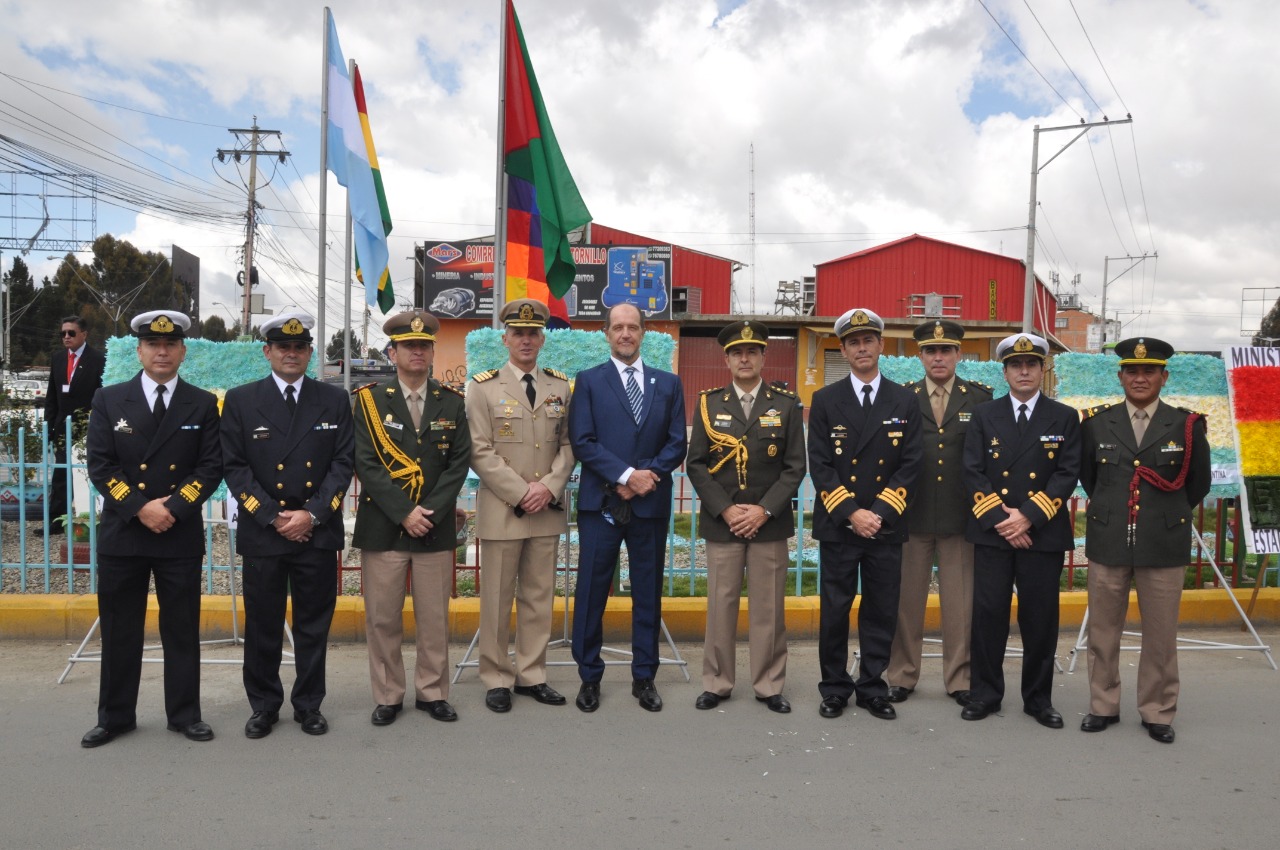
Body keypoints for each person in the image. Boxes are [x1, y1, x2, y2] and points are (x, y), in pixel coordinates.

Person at [80, 310, 222, 747]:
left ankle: (184, 715)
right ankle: (116, 716)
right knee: (121, 629)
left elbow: (210, 466)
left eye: (171, 344)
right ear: (139, 350)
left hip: (177, 532)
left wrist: (173, 508)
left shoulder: (201, 403)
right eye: (153, 345)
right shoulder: (109, 399)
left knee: (181, 629)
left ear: (182, 351)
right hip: (126, 532)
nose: (162, 352)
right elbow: (101, 466)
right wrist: (142, 508)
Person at [220, 311, 354, 739]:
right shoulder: (241, 400)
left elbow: (342, 464)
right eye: (283, 348)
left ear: (310, 353)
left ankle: (309, 704)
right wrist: (273, 516)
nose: (292, 354)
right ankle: (263, 706)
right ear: (268, 352)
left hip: (316, 530)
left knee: (314, 625)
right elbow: (235, 468)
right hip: (265, 531)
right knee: (263, 624)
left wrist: (311, 514)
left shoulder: (333, 399)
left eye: (299, 348)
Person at [1078, 337, 1210, 744]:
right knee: (1103, 631)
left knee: (1160, 633)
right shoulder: (1097, 423)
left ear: (1164, 376)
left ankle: (1157, 710)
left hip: (1162, 542)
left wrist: (1162, 516)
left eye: (1148, 371)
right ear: (1120, 376)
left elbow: (1196, 484)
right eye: (1132, 371)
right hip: (1109, 538)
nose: (1139, 378)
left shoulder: (1186, 424)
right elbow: (1091, 479)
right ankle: (1104, 704)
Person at [352, 310, 470, 726]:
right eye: (408, 346)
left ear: (433, 351)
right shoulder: (368, 401)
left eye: (423, 346)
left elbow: (458, 464)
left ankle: (432, 692)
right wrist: (405, 513)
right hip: (384, 527)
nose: (416, 352)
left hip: (433, 529)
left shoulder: (452, 402)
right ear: (393, 351)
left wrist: (429, 513)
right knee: (382, 617)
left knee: (434, 618)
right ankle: (388, 694)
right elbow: (366, 464)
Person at [568, 302, 687, 713]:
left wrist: (644, 478)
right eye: (617, 327)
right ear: (606, 333)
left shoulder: (668, 384)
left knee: (648, 592)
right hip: (601, 502)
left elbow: (676, 443)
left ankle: (645, 676)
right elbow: (582, 441)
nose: (625, 334)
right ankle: (588, 676)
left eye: (632, 327)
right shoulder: (588, 381)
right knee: (591, 592)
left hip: (649, 504)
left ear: (643, 333)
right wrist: (624, 476)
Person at [960, 333, 1081, 728]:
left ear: (1042, 369)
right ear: (1005, 371)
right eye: (1016, 365)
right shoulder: (984, 415)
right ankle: (985, 694)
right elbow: (973, 472)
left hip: (1041, 533)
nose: (1024, 371)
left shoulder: (1064, 416)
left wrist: (1028, 516)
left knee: (1040, 619)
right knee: (989, 615)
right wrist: (1004, 521)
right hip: (995, 533)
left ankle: (1038, 700)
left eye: (1031, 364)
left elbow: (1066, 474)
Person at [686, 320, 806, 714]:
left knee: (768, 607)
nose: (744, 358)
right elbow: (697, 465)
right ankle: (717, 682)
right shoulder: (709, 403)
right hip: (724, 523)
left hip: (768, 523)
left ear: (762, 356)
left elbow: (794, 467)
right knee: (721, 606)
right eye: (737, 352)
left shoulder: (786, 404)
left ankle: (769, 684)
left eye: (752, 351)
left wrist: (763, 509)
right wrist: (726, 509)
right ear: (727, 359)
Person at [808, 308, 922, 721]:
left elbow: (911, 462)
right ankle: (835, 687)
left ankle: (873, 686)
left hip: (885, 524)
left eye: (868, 340)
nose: (861, 348)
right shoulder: (824, 400)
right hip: (841, 523)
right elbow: (819, 464)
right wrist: (853, 513)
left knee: (880, 609)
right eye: (853, 342)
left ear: (881, 346)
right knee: (835, 609)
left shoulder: (905, 400)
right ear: (843, 349)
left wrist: (878, 513)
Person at [466, 298, 574, 714]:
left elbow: (567, 446)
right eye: (518, 333)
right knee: (496, 599)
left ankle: (532, 674)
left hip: (545, 509)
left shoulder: (560, 386)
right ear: (505, 338)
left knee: (538, 597)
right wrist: (521, 491)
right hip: (503, 509)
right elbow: (479, 450)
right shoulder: (483, 386)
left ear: (542, 338)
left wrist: (547, 487)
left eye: (533, 334)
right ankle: (496, 677)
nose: (526, 340)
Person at [886, 320, 991, 706]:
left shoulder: (980, 399)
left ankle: (960, 678)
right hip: (909, 516)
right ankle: (902, 675)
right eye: (931, 351)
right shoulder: (901, 398)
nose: (939, 357)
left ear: (959, 354)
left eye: (946, 350)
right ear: (920, 356)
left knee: (960, 605)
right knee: (906, 602)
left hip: (961, 518)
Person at [44, 315, 106, 535]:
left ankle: (98, 517)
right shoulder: (58, 358)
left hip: (89, 426)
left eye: (71, 333)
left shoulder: (98, 359)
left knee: (91, 472)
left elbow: (103, 393)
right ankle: (56, 521)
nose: (66, 337)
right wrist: (49, 426)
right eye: (63, 333)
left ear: (84, 334)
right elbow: (52, 395)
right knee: (61, 473)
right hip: (63, 426)